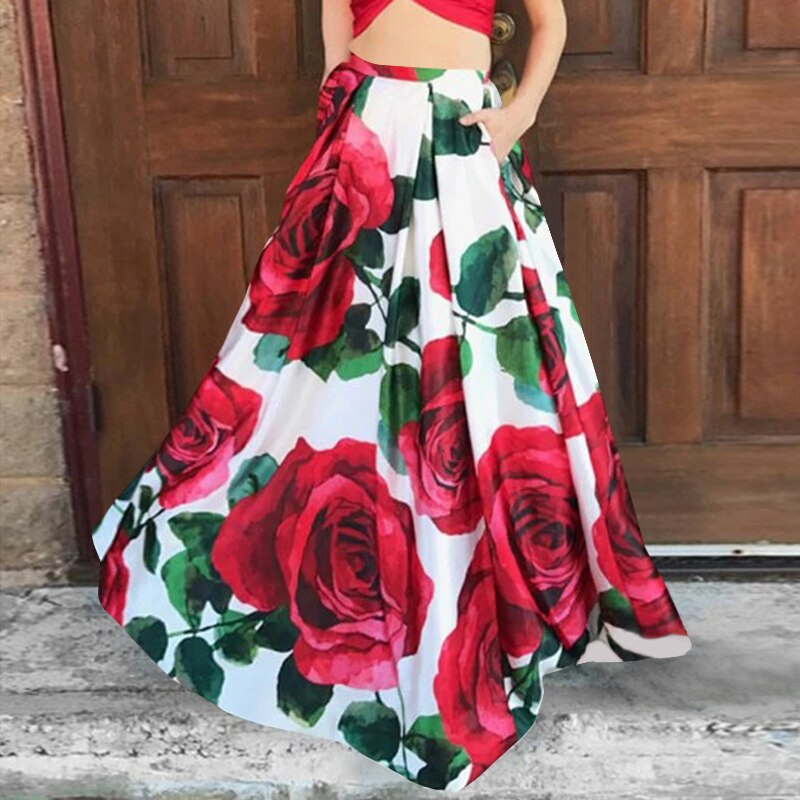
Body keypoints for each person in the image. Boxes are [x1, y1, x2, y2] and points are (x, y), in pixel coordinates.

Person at [91, 0, 692, 791]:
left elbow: (550, 23)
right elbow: (337, 24)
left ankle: (465, 604)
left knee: (469, 355)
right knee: (318, 350)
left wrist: (518, 116)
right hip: (366, 135)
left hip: (460, 139)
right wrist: (339, 99)